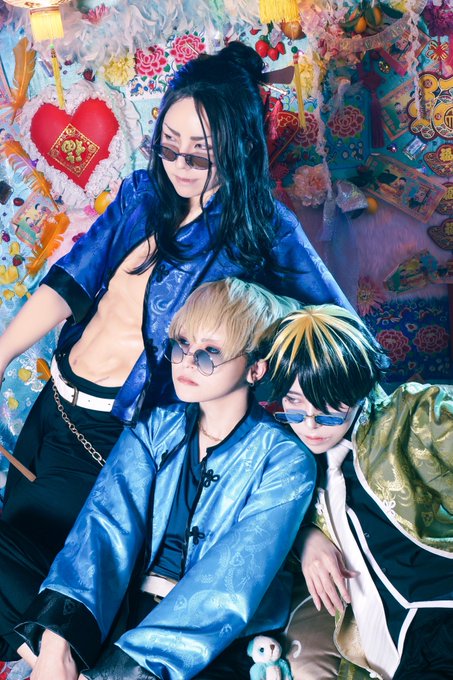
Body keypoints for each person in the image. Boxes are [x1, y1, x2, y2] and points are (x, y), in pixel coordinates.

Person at [0, 41, 351, 662]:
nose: (180, 165)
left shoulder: (264, 232)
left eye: (200, 153)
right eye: (169, 146)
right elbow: (70, 281)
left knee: (67, 589)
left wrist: (310, 525)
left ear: (238, 148)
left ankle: (63, 661)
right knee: (17, 562)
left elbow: (341, 346)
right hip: (54, 413)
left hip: (117, 441)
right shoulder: (142, 196)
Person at [14, 278, 316, 680]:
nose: (187, 362)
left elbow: (227, 589)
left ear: (256, 368)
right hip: (124, 610)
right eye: (182, 344)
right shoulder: (155, 426)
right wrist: (57, 646)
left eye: (210, 353)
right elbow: (103, 528)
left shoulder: (285, 460)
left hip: (213, 645)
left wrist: (113, 675)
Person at [265, 305, 453, 680]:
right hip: (396, 651)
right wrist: (306, 540)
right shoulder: (287, 465)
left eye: (329, 405)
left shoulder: (414, 414)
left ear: (360, 385)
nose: (311, 424)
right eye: (294, 403)